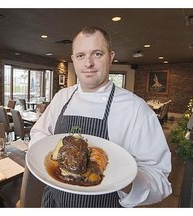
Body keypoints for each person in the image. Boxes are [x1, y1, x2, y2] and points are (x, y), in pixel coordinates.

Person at [29, 26, 172, 207]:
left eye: (97, 54)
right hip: (54, 203)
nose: (88, 63)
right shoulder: (62, 97)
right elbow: (38, 134)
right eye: (81, 55)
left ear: (111, 57)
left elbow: (159, 179)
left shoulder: (135, 109)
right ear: (73, 59)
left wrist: (124, 179)